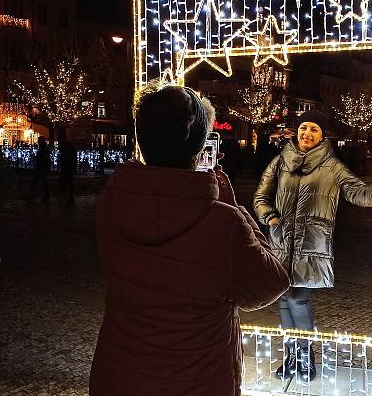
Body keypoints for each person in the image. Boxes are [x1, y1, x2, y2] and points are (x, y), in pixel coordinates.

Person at [89, 82, 289, 396]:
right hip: (196, 380)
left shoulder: (111, 203)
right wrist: (235, 208)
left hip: (118, 373)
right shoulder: (224, 223)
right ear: (199, 147)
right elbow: (269, 284)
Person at [253, 110, 372, 383]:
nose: (307, 133)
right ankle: (291, 356)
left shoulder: (332, 165)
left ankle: (306, 356)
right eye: (303, 127)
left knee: (297, 298)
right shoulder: (280, 161)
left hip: (311, 243)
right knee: (283, 298)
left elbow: (356, 191)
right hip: (282, 241)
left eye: (314, 129)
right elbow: (261, 195)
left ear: (323, 135)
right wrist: (270, 217)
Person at [58, 139, 76, 203]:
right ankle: (69, 197)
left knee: (69, 183)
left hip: (68, 169)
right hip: (68, 169)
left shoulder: (68, 153)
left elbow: (69, 161)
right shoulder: (70, 152)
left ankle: (69, 197)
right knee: (69, 183)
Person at [33, 136, 51, 202]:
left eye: (38, 140)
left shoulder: (43, 148)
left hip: (42, 167)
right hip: (42, 166)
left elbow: (41, 158)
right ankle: (45, 195)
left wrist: (35, 158)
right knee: (42, 181)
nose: (38, 141)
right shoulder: (44, 148)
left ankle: (46, 196)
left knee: (43, 181)